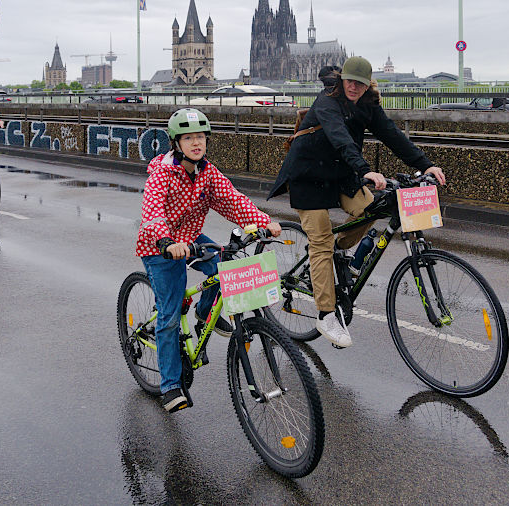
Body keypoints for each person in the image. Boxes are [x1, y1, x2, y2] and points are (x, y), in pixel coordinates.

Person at [268, 56, 445, 348]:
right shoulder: (327, 101)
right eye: (350, 81)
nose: (353, 87)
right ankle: (326, 314)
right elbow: (340, 138)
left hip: (340, 174)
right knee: (321, 240)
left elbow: (392, 135)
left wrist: (424, 165)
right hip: (309, 175)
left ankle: (330, 256)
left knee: (371, 208)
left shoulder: (367, 104)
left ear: (367, 85)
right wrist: (365, 169)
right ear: (342, 79)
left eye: (360, 83)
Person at [137, 108, 282, 413]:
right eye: (188, 138)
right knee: (170, 312)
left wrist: (262, 220)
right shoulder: (162, 173)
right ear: (176, 143)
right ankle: (170, 386)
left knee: (224, 269)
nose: (196, 143)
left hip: (191, 239)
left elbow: (231, 199)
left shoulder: (207, 173)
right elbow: (153, 212)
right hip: (160, 246)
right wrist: (166, 241)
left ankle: (205, 313)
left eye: (200, 137)